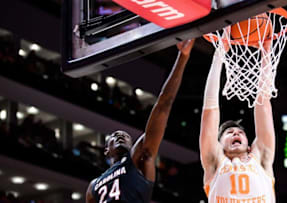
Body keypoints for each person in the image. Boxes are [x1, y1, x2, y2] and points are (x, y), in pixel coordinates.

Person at [86, 39, 195, 203]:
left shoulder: (138, 158)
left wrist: (183, 56)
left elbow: (163, 105)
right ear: (106, 150)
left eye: (126, 136)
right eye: (114, 136)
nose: (120, 135)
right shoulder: (93, 186)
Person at [200, 41, 276, 203]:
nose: (236, 132)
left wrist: (266, 54)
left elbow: (263, 105)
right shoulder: (215, 162)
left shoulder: (260, 157)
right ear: (219, 145)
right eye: (229, 133)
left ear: (249, 146)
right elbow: (210, 111)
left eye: (240, 132)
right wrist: (218, 56)